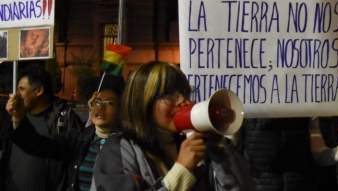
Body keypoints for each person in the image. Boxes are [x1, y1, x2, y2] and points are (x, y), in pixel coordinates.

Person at [92, 61, 253, 191]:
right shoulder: (117, 151)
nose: (182, 100)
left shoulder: (196, 145)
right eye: (168, 93)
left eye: (183, 91)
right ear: (143, 101)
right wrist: (181, 171)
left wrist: (219, 145)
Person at [4, 74, 124, 191]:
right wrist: (18, 117)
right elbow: (38, 144)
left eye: (109, 103)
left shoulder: (129, 143)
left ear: (121, 108)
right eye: (97, 102)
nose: (100, 107)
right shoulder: (81, 138)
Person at [0, 65, 84, 191]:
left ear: (38, 90)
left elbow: (38, 145)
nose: (16, 95)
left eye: (21, 89)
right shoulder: (13, 116)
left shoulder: (65, 119)